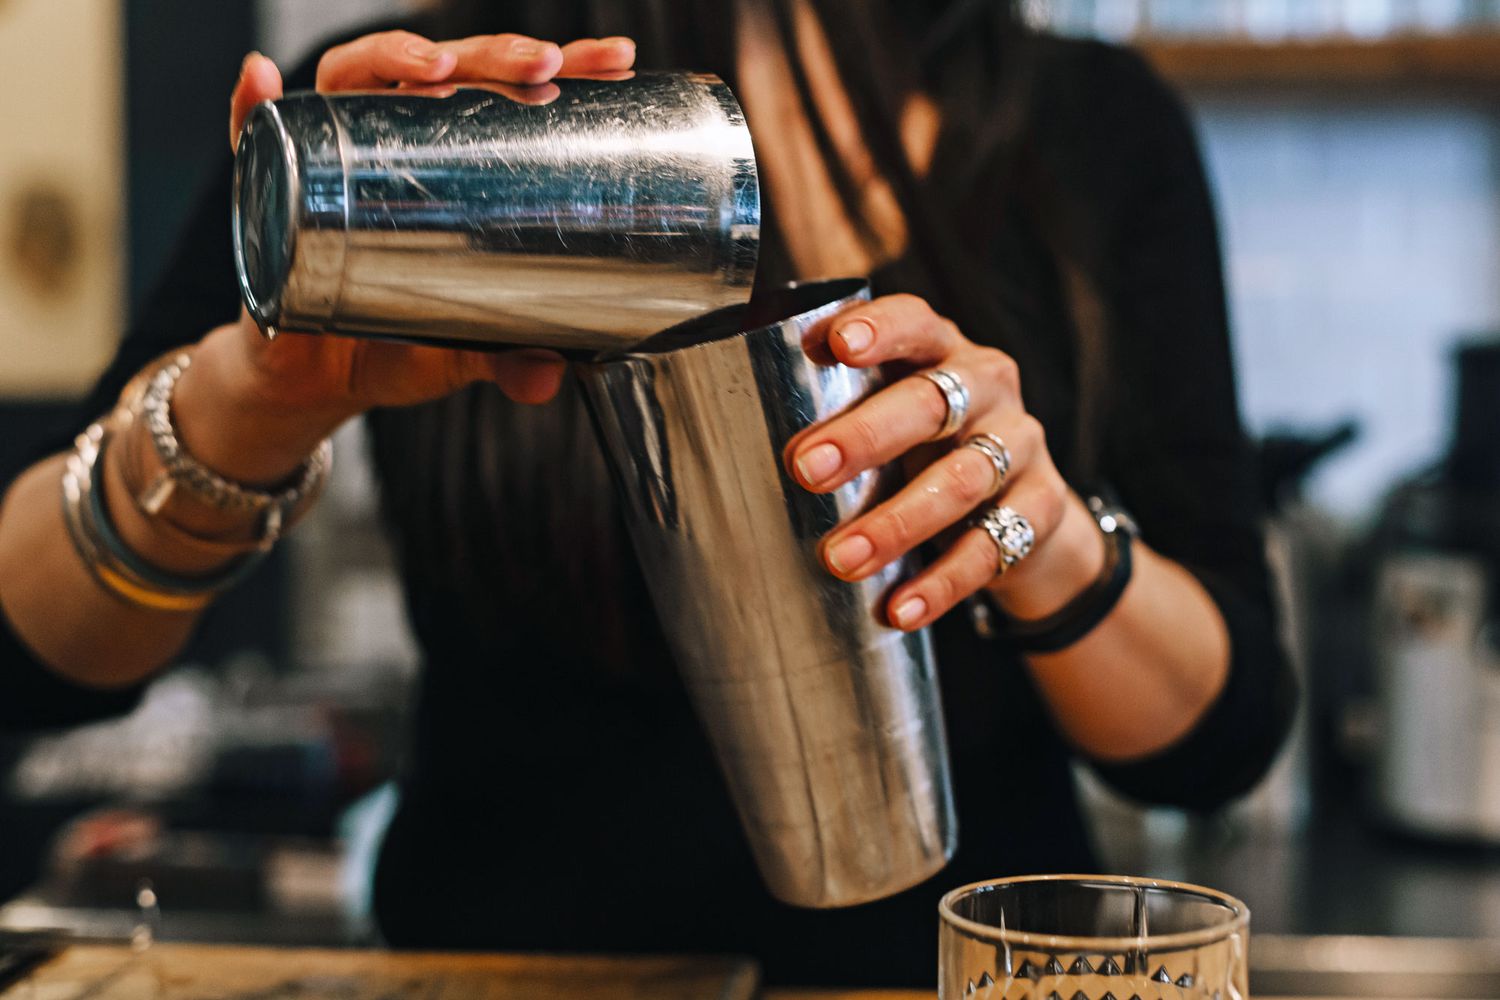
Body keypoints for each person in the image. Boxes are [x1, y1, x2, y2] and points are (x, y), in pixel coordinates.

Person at [0, 0, 1296, 986]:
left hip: (938, 975)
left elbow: (1218, 737)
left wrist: (1045, 533)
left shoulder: (1088, 125)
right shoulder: (412, 114)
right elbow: (37, 657)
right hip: (511, 978)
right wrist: (248, 405)